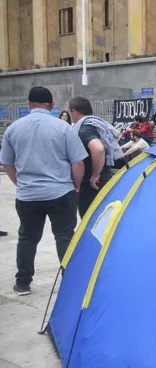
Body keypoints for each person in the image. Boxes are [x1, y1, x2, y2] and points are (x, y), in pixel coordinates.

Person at [0, 86, 87, 295]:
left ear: (28, 104)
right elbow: (78, 162)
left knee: (27, 238)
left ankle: (23, 282)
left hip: (28, 194)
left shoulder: (13, 129)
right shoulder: (64, 128)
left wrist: (20, 183)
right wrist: (76, 186)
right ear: (52, 105)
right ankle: (70, 281)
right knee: (64, 237)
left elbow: (7, 163)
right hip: (60, 192)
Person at [69, 96, 123, 218]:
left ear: (74, 112)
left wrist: (95, 175)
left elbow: (98, 148)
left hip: (92, 183)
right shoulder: (98, 125)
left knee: (89, 219)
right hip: (104, 177)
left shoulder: (85, 129)